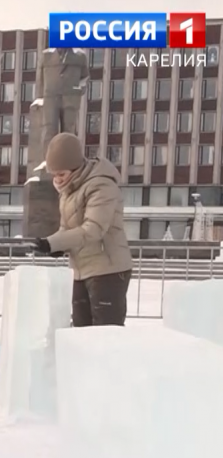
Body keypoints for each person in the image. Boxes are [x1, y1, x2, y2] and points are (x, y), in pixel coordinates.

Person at [34, 132, 133, 327]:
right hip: (80, 271)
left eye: (61, 174)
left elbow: (93, 229)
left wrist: (54, 243)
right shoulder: (70, 189)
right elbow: (66, 227)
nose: (58, 180)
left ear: (75, 168)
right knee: (80, 333)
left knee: (105, 335)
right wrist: (54, 246)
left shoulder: (101, 186)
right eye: (54, 175)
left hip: (108, 270)